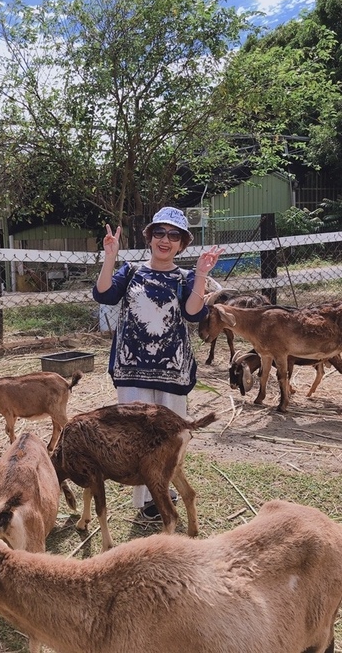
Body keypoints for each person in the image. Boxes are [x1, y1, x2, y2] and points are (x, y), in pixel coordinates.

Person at [93, 206, 225, 522]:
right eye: (160, 233)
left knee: (170, 436)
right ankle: (146, 501)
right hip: (131, 367)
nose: (165, 240)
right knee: (136, 436)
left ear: (181, 243)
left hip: (173, 370)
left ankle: (166, 492)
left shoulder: (187, 277)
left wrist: (203, 274)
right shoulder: (131, 271)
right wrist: (110, 256)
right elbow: (104, 295)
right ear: (150, 237)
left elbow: (195, 313)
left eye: (174, 235)